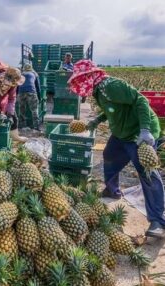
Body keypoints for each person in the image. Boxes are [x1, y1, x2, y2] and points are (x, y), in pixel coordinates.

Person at [68, 59, 165, 238]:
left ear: (88, 76)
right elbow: (112, 109)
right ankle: (112, 190)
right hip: (121, 132)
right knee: (109, 155)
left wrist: (145, 130)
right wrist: (95, 121)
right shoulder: (99, 91)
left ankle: (158, 221)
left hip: (138, 133)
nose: (79, 84)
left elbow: (140, 101)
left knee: (147, 172)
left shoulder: (111, 86)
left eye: (80, 80)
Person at [17, 64, 41, 130]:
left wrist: (17, 94)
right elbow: (38, 87)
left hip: (21, 92)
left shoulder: (21, 74)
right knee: (34, 110)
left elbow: (17, 85)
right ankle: (36, 127)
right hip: (31, 92)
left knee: (21, 109)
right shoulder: (34, 74)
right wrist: (39, 97)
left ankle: (21, 126)